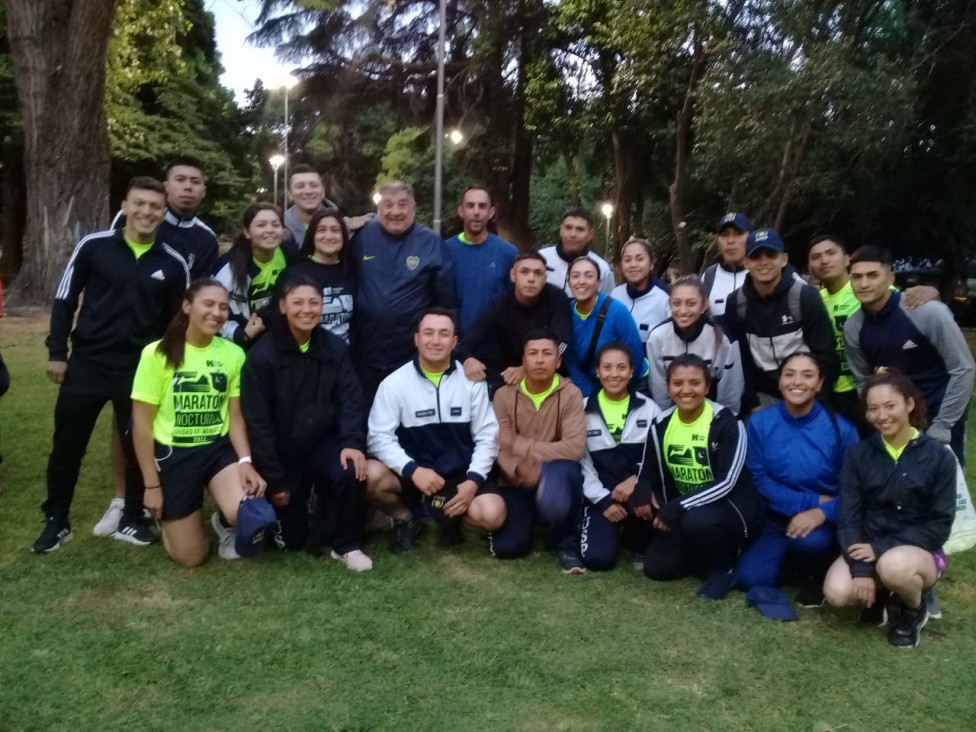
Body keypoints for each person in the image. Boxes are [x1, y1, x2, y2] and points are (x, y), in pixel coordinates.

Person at [33, 177, 190, 553]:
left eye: (155, 206)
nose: (147, 211)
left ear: (163, 212)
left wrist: (168, 369)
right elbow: (64, 299)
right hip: (87, 364)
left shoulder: (172, 262)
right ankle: (57, 520)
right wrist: (57, 353)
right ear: (125, 204)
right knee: (67, 446)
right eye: (140, 203)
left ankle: (132, 518)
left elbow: (175, 324)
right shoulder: (94, 246)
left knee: (137, 446)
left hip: (138, 371)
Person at [130, 279, 276, 566]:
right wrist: (151, 485)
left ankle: (225, 522)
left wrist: (245, 460)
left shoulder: (233, 353)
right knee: (192, 557)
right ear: (187, 306)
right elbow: (141, 425)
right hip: (175, 454)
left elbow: (234, 417)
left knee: (248, 511)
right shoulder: (156, 354)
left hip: (216, 450)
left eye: (223, 307)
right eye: (208, 304)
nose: (217, 313)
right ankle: (170, 520)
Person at [241, 276, 371, 570]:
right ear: (283, 306)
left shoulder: (336, 348)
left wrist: (351, 442)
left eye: (314, 302)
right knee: (292, 541)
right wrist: (275, 479)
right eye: (298, 302)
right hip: (282, 453)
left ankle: (347, 546)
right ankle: (234, 516)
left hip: (323, 444)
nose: (307, 309)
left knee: (352, 469)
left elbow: (351, 400)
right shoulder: (262, 356)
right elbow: (258, 422)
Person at [823, 371, 956, 648]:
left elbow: (940, 525)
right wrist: (860, 570)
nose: (882, 415)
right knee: (837, 593)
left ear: (909, 404)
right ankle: (881, 596)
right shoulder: (858, 455)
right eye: (873, 408)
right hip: (867, 547)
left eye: (890, 405)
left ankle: (913, 608)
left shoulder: (939, 457)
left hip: (919, 551)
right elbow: (848, 517)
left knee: (893, 566)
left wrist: (881, 547)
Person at [366, 308, 504, 552]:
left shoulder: (471, 381)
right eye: (428, 333)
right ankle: (407, 517)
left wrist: (472, 482)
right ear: (417, 339)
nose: (435, 340)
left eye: (443, 334)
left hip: (461, 474)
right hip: (414, 475)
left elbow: (487, 437)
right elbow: (378, 438)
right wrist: (413, 470)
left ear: (454, 342)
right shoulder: (394, 384)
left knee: (492, 514)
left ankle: (451, 515)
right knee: (369, 475)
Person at [632, 354, 764, 596]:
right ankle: (704, 556)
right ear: (668, 386)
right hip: (685, 510)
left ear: (707, 387)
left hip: (729, 508)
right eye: (678, 383)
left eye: (694, 383)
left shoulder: (727, 423)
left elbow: (727, 482)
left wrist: (676, 506)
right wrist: (641, 490)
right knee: (657, 569)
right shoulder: (661, 423)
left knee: (697, 520)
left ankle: (724, 569)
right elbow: (648, 467)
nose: (686, 390)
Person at [736, 353, 859, 608]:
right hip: (776, 515)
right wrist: (810, 501)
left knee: (810, 543)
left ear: (820, 383)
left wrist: (821, 512)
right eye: (789, 374)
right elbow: (758, 478)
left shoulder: (843, 430)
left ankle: (816, 571)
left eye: (807, 375)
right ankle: (789, 565)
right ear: (780, 382)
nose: (797, 382)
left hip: (821, 521)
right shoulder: (760, 422)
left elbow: (854, 491)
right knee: (750, 578)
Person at [844, 245, 974, 466]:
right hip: (893, 424)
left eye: (873, 275)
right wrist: (879, 417)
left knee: (945, 495)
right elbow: (863, 380)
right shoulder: (854, 327)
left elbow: (963, 369)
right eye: (857, 277)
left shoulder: (927, 312)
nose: (864, 283)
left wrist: (943, 425)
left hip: (939, 420)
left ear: (890, 277)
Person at [808, 235, 938, 429]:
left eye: (830, 253)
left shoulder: (868, 288)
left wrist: (931, 292)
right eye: (816, 256)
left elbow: (904, 301)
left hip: (865, 389)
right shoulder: (815, 300)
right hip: (830, 390)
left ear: (846, 259)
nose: (824, 260)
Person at [353, 181, 457, 405]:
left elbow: (446, 302)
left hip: (409, 357)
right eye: (388, 205)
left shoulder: (431, 243)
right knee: (366, 424)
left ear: (414, 207)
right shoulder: (362, 238)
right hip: (364, 357)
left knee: (408, 422)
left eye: (403, 204)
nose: (396, 211)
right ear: (379, 209)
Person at [492, 329, 588, 571]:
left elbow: (574, 447)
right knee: (509, 549)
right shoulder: (503, 395)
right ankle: (532, 523)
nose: (539, 359)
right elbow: (499, 445)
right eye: (532, 353)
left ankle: (566, 544)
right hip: (517, 479)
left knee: (565, 472)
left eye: (547, 353)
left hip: (556, 473)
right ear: (523, 361)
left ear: (558, 361)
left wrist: (523, 447)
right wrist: (516, 468)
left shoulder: (571, 394)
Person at [723, 228, 837, 411]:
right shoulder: (736, 302)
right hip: (763, 398)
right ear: (746, 262)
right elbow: (740, 358)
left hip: (807, 394)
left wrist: (818, 403)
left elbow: (826, 355)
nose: (764, 262)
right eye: (756, 256)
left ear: (784, 259)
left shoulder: (805, 297)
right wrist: (752, 402)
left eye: (771, 254)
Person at [579, 342, 660, 571]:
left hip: (638, 491)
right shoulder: (582, 409)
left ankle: (636, 538)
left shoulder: (649, 408)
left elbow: (656, 456)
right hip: (602, 496)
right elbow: (580, 462)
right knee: (598, 560)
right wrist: (603, 500)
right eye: (607, 367)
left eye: (621, 367)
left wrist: (635, 479)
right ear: (598, 371)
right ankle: (601, 527)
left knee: (652, 505)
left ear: (632, 371)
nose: (614, 374)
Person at [460, 251, 573, 394]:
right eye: (525, 272)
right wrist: (467, 359)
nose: (531, 279)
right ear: (513, 275)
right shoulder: (500, 303)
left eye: (538, 273)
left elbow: (563, 343)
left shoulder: (556, 298)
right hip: (509, 377)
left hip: (550, 375)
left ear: (545, 278)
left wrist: (526, 369)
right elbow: (468, 341)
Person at [647, 275, 744, 415]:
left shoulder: (722, 339)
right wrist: (666, 418)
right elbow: (659, 388)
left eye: (691, 304)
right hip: (674, 415)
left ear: (704, 305)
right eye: (676, 303)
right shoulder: (657, 337)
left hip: (712, 413)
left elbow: (730, 388)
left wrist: (724, 419)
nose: (683, 311)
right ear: (669, 304)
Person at [111, 156, 219, 280]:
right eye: (180, 179)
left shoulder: (207, 239)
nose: (188, 187)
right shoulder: (136, 216)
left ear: (204, 191)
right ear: (166, 186)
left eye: (195, 182)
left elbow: (197, 290)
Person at [214, 202, 293, 348]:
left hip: (280, 340)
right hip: (239, 343)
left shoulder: (290, 256)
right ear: (247, 232)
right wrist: (240, 334)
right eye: (261, 225)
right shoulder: (229, 267)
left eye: (276, 225)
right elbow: (211, 309)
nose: (270, 230)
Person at [444, 186, 518, 338]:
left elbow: (514, 303)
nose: (476, 212)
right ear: (461, 211)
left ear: (491, 213)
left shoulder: (508, 253)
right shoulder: (444, 250)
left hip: (495, 349)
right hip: (453, 345)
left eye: (482, 206)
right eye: (470, 206)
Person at [565, 257, 644, 398]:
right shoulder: (565, 314)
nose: (581, 281)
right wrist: (592, 396)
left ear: (599, 282)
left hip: (630, 382)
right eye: (575, 276)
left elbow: (635, 355)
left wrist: (619, 394)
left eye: (588, 276)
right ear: (569, 282)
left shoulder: (617, 311)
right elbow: (571, 362)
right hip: (590, 385)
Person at [278, 209, 356, 343]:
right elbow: (280, 322)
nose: (329, 236)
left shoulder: (352, 270)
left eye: (335, 230)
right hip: (307, 356)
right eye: (321, 230)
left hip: (345, 357)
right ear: (312, 235)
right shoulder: (294, 273)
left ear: (343, 235)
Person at [283, 164, 370, 250]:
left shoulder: (345, 226)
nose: (308, 191)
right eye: (300, 186)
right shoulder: (279, 229)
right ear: (290, 194)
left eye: (314, 185)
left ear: (323, 191)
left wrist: (366, 221)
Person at [538, 207, 615, 297]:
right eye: (568, 228)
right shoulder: (541, 258)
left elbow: (608, 303)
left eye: (580, 229)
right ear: (561, 230)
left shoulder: (602, 268)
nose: (572, 234)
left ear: (590, 235)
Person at [611, 238, 670, 343]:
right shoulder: (615, 295)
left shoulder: (665, 297)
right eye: (627, 260)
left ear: (651, 264)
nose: (633, 265)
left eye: (640, 259)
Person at [701, 212, 751, 329]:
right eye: (724, 235)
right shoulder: (709, 276)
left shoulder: (762, 273)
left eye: (738, 234)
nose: (730, 241)